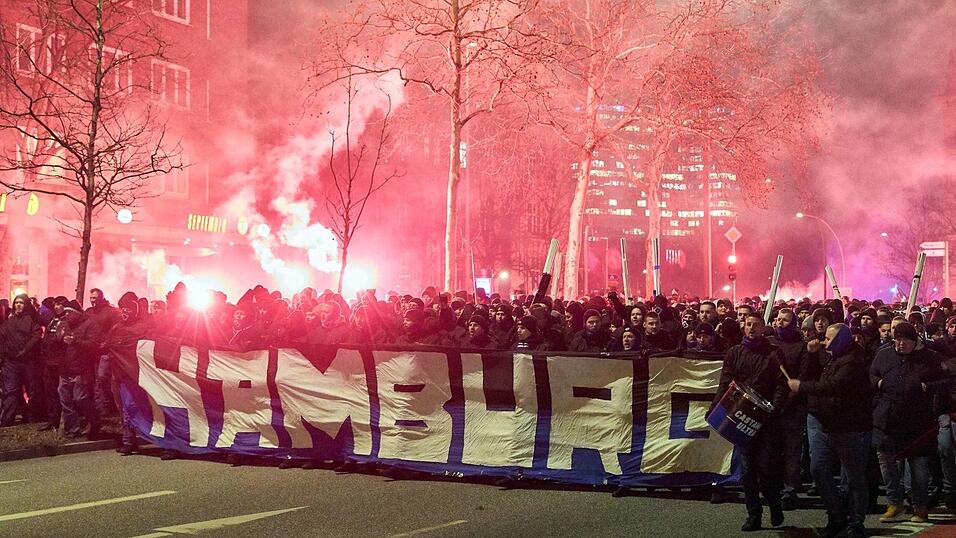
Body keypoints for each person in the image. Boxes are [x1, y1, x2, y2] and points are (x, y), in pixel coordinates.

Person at [790, 324, 872, 538]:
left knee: (854, 477)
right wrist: (811, 355)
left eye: (828, 338)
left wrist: (802, 387)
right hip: (826, 423)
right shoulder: (832, 358)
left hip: (850, 427)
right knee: (818, 469)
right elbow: (814, 375)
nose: (824, 341)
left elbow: (833, 386)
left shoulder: (853, 361)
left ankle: (856, 523)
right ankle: (836, 515)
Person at [711, 314, 788, 532]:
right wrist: (716, 407)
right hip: (742, 416)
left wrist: (775, 408)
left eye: (756, 325)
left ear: (763, 328)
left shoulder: (774, 353)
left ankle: (774, 504)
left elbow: (782, 384)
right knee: (747, 470)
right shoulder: (735, 352)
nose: (751, 328)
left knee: (765, 468)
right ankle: (754, 514)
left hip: (765, 418)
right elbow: (725, 381)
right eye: (748, 325)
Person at [870, 322, 948, 523]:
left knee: (919, 468)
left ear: (915, 341)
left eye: (905, 340)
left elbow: (946, 380)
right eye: (897, 339)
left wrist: (927, 387)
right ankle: (894, 502)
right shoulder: (884, 354)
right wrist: (878, 383)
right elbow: (871, 374)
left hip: (917, 421)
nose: (901, 344)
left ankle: (920, 505)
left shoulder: (930, 358)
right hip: (887, 418)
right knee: (886, 462)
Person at [1, 294, 42, 426]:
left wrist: (25, 350)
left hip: (28, 362)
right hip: (11, 362)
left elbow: (36, 336)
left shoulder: (31, 320)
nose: (18, 305)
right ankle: (7, 420)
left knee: (32, 391)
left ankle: (31, 417)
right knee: (10, 391)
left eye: (21, 303)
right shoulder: (9, 321)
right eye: (16, 303)